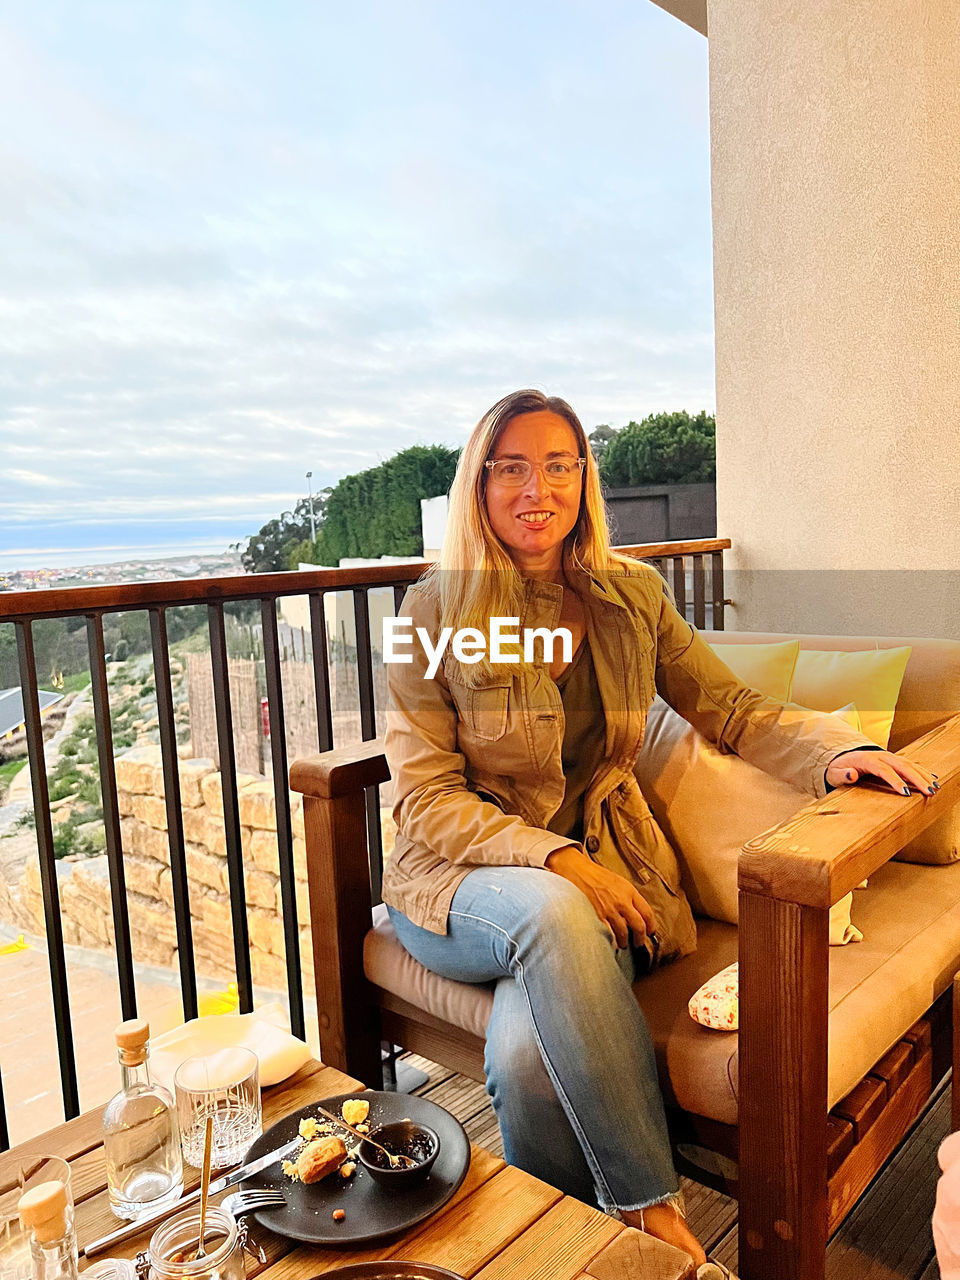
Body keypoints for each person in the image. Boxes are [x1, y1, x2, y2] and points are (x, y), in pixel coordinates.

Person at [382, 389, 939, 1269]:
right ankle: (653, 1220)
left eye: (560, 464)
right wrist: (558, 858)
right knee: (552, 910)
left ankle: (570, 1254)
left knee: (526, 1063)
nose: (539, 488)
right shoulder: (429, 615)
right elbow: (425, 800)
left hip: (605, 881)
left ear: (584, 479)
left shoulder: (629, 597)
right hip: (460, 886)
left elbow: (731, 707)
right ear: (479, 486)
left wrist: (837, 754)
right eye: (513, 467)